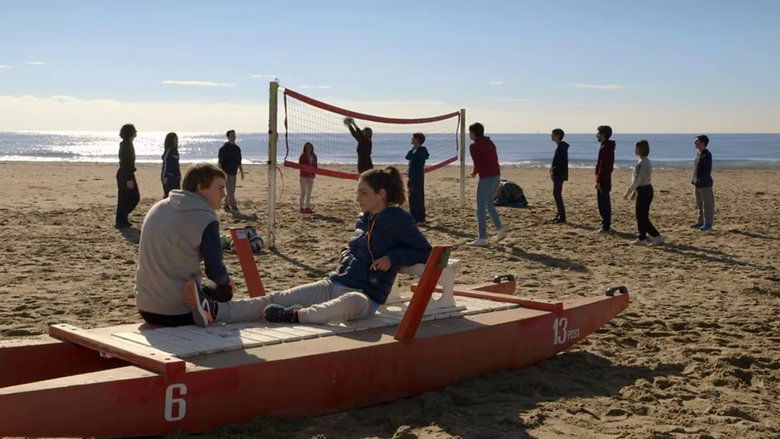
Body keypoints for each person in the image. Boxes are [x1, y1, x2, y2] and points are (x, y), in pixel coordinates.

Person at [259, 166, 432, 324]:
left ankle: (296, 315)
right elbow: (359, 244)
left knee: (352, 301)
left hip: (365, 297)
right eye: (357, 193)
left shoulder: (399, 219)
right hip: (335, 283)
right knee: (277, 297)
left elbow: (426, 252)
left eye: (363, 193)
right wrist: (346, 251)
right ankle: (230, 312)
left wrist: (392, 258)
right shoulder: (363, 218)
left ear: (381, 194)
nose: (357, 199)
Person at [136, 163, 265, 327]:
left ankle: (200, 299)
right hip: (178, 313)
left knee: (198, 282)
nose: (224, 194)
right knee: (224, 289)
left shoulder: (159, 207)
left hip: (146, 308)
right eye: (219, 188)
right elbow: (215, 271)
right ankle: (205, 308)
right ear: (201, 188)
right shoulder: (205, 217)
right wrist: (227, 283)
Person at [467, 122, 505, 246]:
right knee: (489, 205)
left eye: (470, 132)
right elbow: (492, 159)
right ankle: (500, 230)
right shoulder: (489, 142)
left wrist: (474, 172)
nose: (469, 135)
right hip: (496, 176)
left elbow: (477, 162)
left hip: (487, 178)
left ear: (473, 133)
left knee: (480, 208)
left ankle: (482, 237)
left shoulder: (474, 145)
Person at [624, 140, 664, 246]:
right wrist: (634, 192)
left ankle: (656, 236)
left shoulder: (642, 162)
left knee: (642, 216)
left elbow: (637, 179)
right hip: (642, 190)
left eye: (636, 148)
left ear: (640, 149)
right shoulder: (643, 161)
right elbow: (639, 180)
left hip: (645, 191)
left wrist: (628, 192)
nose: (635, 150)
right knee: (640, 215)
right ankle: (641, 237)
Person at [116, 123, 140, 228]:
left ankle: (122, 219)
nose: (136, 132)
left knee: (124, 198)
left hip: (125, 173)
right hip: (126, 174)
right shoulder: (126, 145)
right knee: (133, 197)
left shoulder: (127, 143)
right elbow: (126, 162)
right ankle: (121, 218)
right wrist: (129, 178)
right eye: (135, 130)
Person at [595, 125, 616, 233]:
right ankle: (605, 224)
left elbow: (603, 166)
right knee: (603, 201)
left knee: (603, 202)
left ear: (603, 134)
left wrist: (598, 180)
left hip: (604, 178)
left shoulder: (606, 147)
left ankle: (606, 226)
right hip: (605, 178)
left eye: (599, 133)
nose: (597, 135)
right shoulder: (606, 146)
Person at [691, 135, 714, 231]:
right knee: (699, 204)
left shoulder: (707, 154)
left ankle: (708, 224)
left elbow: (707, 170)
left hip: (705, 184)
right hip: (697, 183)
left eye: (697, 141)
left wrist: (701, 180)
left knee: (708, 205)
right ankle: (700, 222)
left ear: (702, 142)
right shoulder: (698, 154)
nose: (695, 143)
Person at [406, 132, 430, 224]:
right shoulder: (413, 150)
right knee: (412, 196)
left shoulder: (422, 150)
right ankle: (414, 217)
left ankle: (420, 218)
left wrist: (415, 149)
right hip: (411, 175)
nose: (411, 140)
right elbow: (407, 156)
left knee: (418, 196)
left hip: (418, 176)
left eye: (413, 138)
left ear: (417, 140)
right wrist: (413, 149)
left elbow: (422, 157)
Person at [218, 129, 244, 212]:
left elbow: (239, 161)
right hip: (226, 171)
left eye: (234, 135)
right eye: (232, 135)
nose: (233, 137)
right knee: (230, 189)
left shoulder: (237, 148)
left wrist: (242, 171)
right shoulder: (224, 149)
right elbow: (220, 161)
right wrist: (221, 173)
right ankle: (233, 205)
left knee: (231, 189)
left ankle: (226, 205)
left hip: (234, 171)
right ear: (228, 137)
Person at [549, 128, 569, 224]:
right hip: (558, 175)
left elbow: (560, 163)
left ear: (557, 135)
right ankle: (559, 215)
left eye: (553, 134)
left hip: (559, 175)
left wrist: (554, 171)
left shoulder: (561, 147)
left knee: (557, 194)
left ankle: (562, 216)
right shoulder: (560, 146)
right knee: (556, 194)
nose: (551, 136)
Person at [298, 142, 318, 214]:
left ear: (312, 148)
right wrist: (307, 171)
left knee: (309, 192)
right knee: (303, 192)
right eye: (307, 146)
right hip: (303, 176)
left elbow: (315, 166)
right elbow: (300, 167)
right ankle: (301, 208)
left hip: (311, 176)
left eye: (310, 146)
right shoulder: (302, 156)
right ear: (305, 148)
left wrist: (313, 173)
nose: (308, 148)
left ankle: (307, 207)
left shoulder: (314, 156)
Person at [161, 132, 181, 198]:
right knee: (170, 196)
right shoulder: (170, 150)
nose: (177, 140)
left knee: (175, 195)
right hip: (169, 177)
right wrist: (166, 176)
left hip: (175, 176)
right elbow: (166, 163)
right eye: (175, 139)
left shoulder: (174, 150)